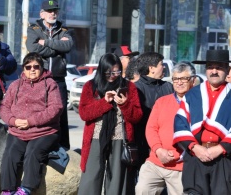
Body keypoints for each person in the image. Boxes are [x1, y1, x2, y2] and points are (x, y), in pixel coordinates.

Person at [0, 52, 63, 195]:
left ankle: (26, 189)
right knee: (10, 153)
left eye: (36, 66)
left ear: (41, 68)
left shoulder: (50, 84)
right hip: (18, 130)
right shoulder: (15, 85)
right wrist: (13, 121)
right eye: (28, 67)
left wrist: (31, 122)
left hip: (44, 131)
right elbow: (4, 107)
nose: (32, 69)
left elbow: (56, 108)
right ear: (23, 69)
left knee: (33, 152)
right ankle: (7, 190)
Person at [78, 53, 142, 195]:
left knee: (117, 180)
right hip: (95, 137)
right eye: (109, 72)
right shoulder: (91, 86)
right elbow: (84, 114)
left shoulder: (129, 87)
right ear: (102, 70)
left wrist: (125, 104)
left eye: (116, 72)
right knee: (91, 177)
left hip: (120, 138)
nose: (113, 75)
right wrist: (104, 102)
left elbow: (137, 116)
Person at [173, 50, 231, 194]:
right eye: (210, 67)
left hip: (224, 158)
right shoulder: (193, 94)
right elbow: (180, 122)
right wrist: (194, 147)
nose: (214, 71)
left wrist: (220, 149)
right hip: (195, 156)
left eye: (219, 67)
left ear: (228, 70)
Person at [136, 62, 196, 195]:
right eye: (175, 79)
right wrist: (158, 150)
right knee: (142, 189)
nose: (179, 83)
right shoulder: (162, 102)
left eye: (183, 79)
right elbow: (151, 128)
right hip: (156, 161)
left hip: (182, 165)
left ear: (193, 80)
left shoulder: (198, 104)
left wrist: (178, 155)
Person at [26, 0, 73, 149]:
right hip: (41, 78)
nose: (53, 13)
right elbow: (32, 48)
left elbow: (68, 45)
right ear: (42, 13)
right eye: (49, 10)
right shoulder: (34, 28)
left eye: (55, 11)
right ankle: (43, 144)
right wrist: (57, 47)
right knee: (42, 111)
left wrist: (46, 42)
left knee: (61, 112)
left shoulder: (63, 29)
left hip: (58, 78)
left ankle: (63, 146)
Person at [131, 52, 174, 193]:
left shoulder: (168, 87)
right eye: (161, 64)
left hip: (168, 145)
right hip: (143, 144)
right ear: (152, 68)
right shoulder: (136, 88)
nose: (164, 68)